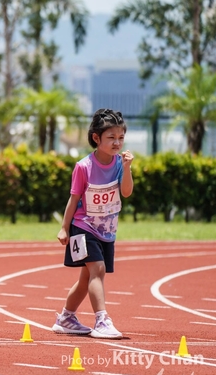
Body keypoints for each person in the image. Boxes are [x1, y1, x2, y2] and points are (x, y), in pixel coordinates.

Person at [51, 108, 134, 339]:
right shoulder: (83, 166)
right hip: (83, 226)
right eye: (111, 137)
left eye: (121, 137)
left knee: (86, 278)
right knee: (98, 269)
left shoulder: (119, 164)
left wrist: (127, 168)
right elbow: (74, 198)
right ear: (96, 138)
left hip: (106, 230)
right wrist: (64, 228)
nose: (117, 142)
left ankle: (66, 318)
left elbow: (126, 192)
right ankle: (101, 320)